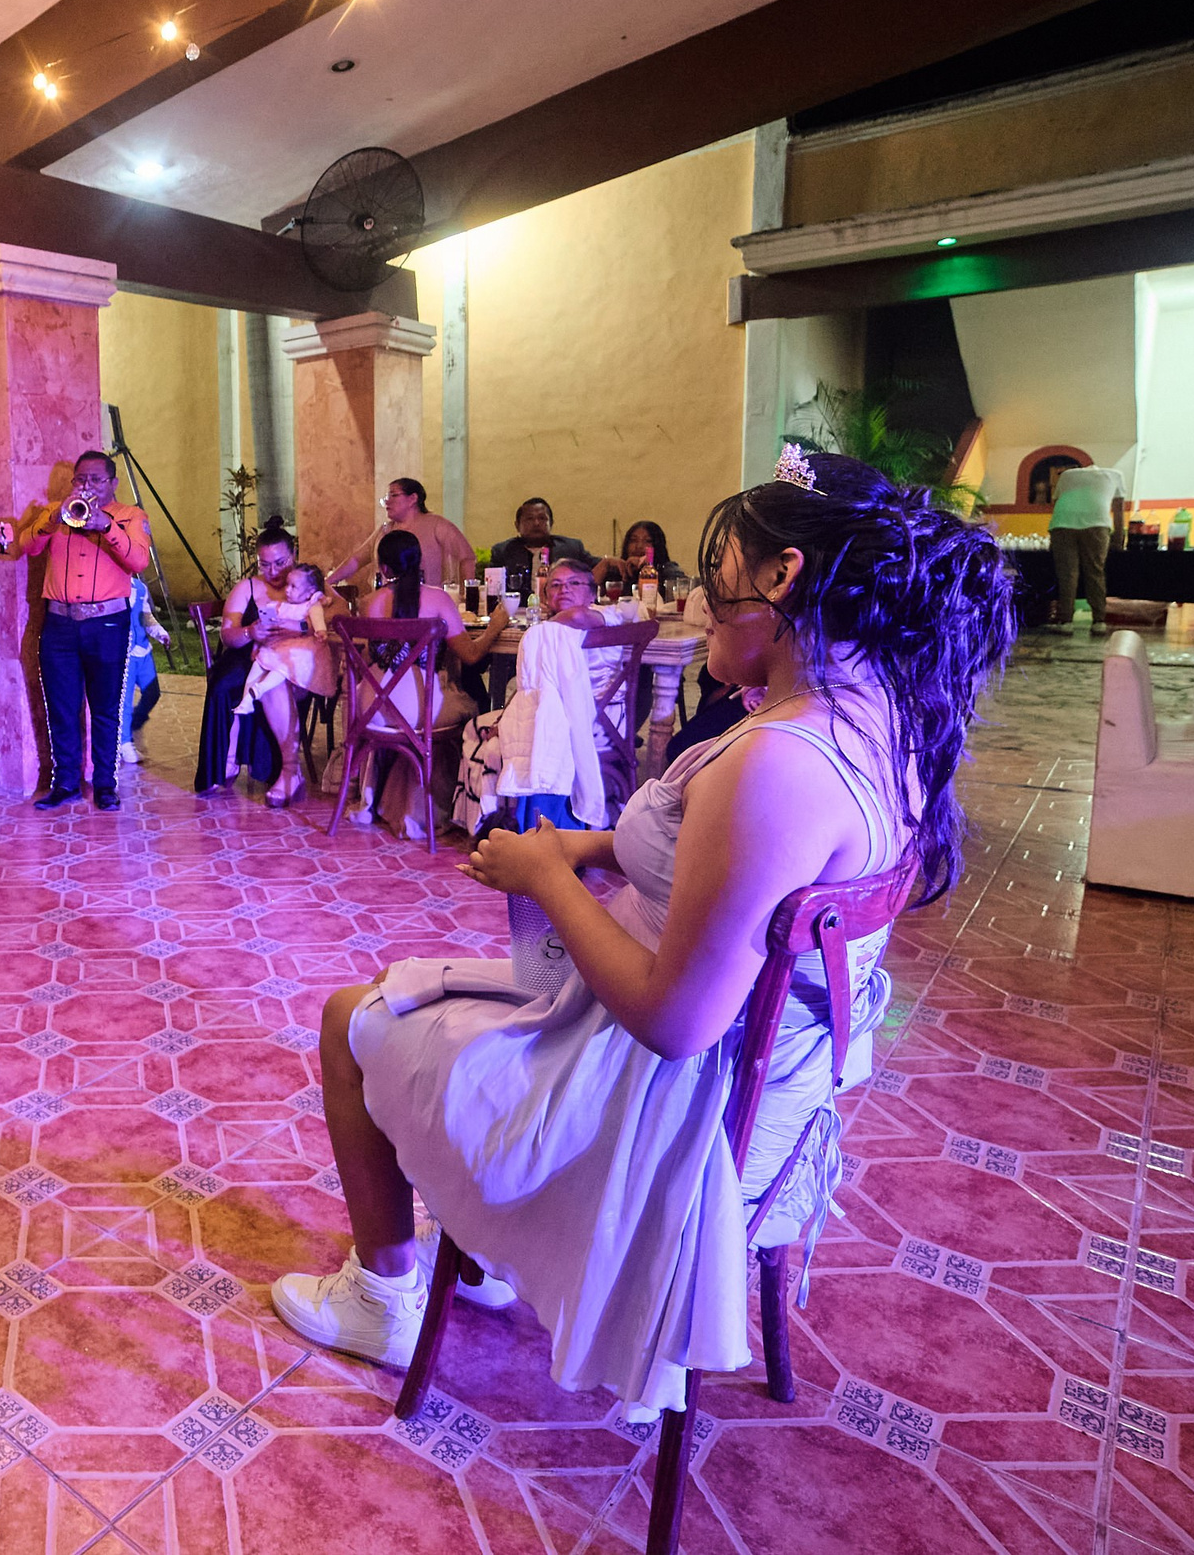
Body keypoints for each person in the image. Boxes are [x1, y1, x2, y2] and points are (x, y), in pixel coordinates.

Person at [270, 446, 1017, 1420]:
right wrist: (586, 844)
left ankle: (382, 1300)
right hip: (726, 1080)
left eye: (721, 570)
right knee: (455, 993)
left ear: (782, 576)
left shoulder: (778, 766)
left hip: (655, 1105)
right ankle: (483, 1245)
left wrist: (547, 875)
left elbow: (674, 1020)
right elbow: (713, 865)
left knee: (352, 1016)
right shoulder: (875, 718)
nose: (704, 601)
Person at [24, 450, 155, 812]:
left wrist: (106, 527)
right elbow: (28, 545)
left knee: (105, 707)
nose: (88, 485)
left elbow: (139, 561)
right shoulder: (57, 513)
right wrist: (53, 518)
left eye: (96, 479)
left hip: (107, 624)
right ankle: (65, 782)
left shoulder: (131, 516)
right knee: (61, 707)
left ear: (113, 483)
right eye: (81, 479)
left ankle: (105, 784)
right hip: (59, 624)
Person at [349, 530, 499, 836]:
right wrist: (495, 626)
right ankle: (439, 804)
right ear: (419, 562)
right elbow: (471, 655)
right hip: (419, 712)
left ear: (383, 568)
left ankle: (385, 797)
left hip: (370, 710)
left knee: (429, 702)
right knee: (471, 707)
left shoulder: (368, 602)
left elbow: (368, 655)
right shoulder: (438, 600)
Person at [194, 522, 321, 797]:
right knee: (223, 684)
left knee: (275, 683)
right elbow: (228, 635)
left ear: (293, 554)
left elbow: (333, 618)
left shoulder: (308, 583)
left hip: (293, 658)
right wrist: (250, 632)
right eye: (265, 565)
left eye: (280, 563)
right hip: (248, 653)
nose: (273, 572)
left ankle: (283, 769)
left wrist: (297, 628)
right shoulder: (247, 587)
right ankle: (222, 764)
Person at [329, 478, 477, 589]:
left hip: (427, 604)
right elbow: (356, 559)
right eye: (387, 497)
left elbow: (467, 558)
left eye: (394, 495)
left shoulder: (438, 525)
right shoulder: (384, 531)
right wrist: (328, 582)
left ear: (413, 498)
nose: (388, 502)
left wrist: (465, 595)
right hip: (387, 602)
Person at [236, 563, 330, 716]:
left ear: (310, 592)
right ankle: (246, 701)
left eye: (293, 587)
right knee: (257, 666)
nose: (287, 589)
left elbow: (316, 620)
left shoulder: (311, 606)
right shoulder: (279, 606)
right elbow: (265, 628)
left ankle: (260, 689)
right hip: (275, 646)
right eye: (287, 584)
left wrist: (321, 630)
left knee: (283, 668)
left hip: (297, 649)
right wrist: (257, 645)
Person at [1045, 460, 1125, 635]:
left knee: (1067, 574)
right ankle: (1099, 621)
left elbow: (1056, 503)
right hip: (1097, 523)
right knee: (1095, 571)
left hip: (1063, 523)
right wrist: (1119, 539)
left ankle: (1065, 621)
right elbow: (1119, 509)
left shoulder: (1066, 475)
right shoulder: (1115, 475)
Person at [116, 572, 170, 766]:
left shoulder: (140, 587)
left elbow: (146, 616)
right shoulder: (112, 588)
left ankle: (134, 722)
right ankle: (125, 743)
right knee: (125, 699)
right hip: (124, 653)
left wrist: (160, 633)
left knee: (152, 692)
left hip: (143, 651)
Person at [491, 497, 592, 598]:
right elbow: (493, 589)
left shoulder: (571, 548)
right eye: (529, 519)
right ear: (517, 525)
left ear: (551, 523)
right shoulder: (503, 551)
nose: (536, 523)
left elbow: (594, 571)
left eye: (542, 518)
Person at [593, 521, 689, 599]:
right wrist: (605, 563)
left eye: (648, 541)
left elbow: (681, 590)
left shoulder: (668, 569)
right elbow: (588, 594)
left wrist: (647, 568)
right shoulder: (617, 572)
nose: (639, 546)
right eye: (633, 540)